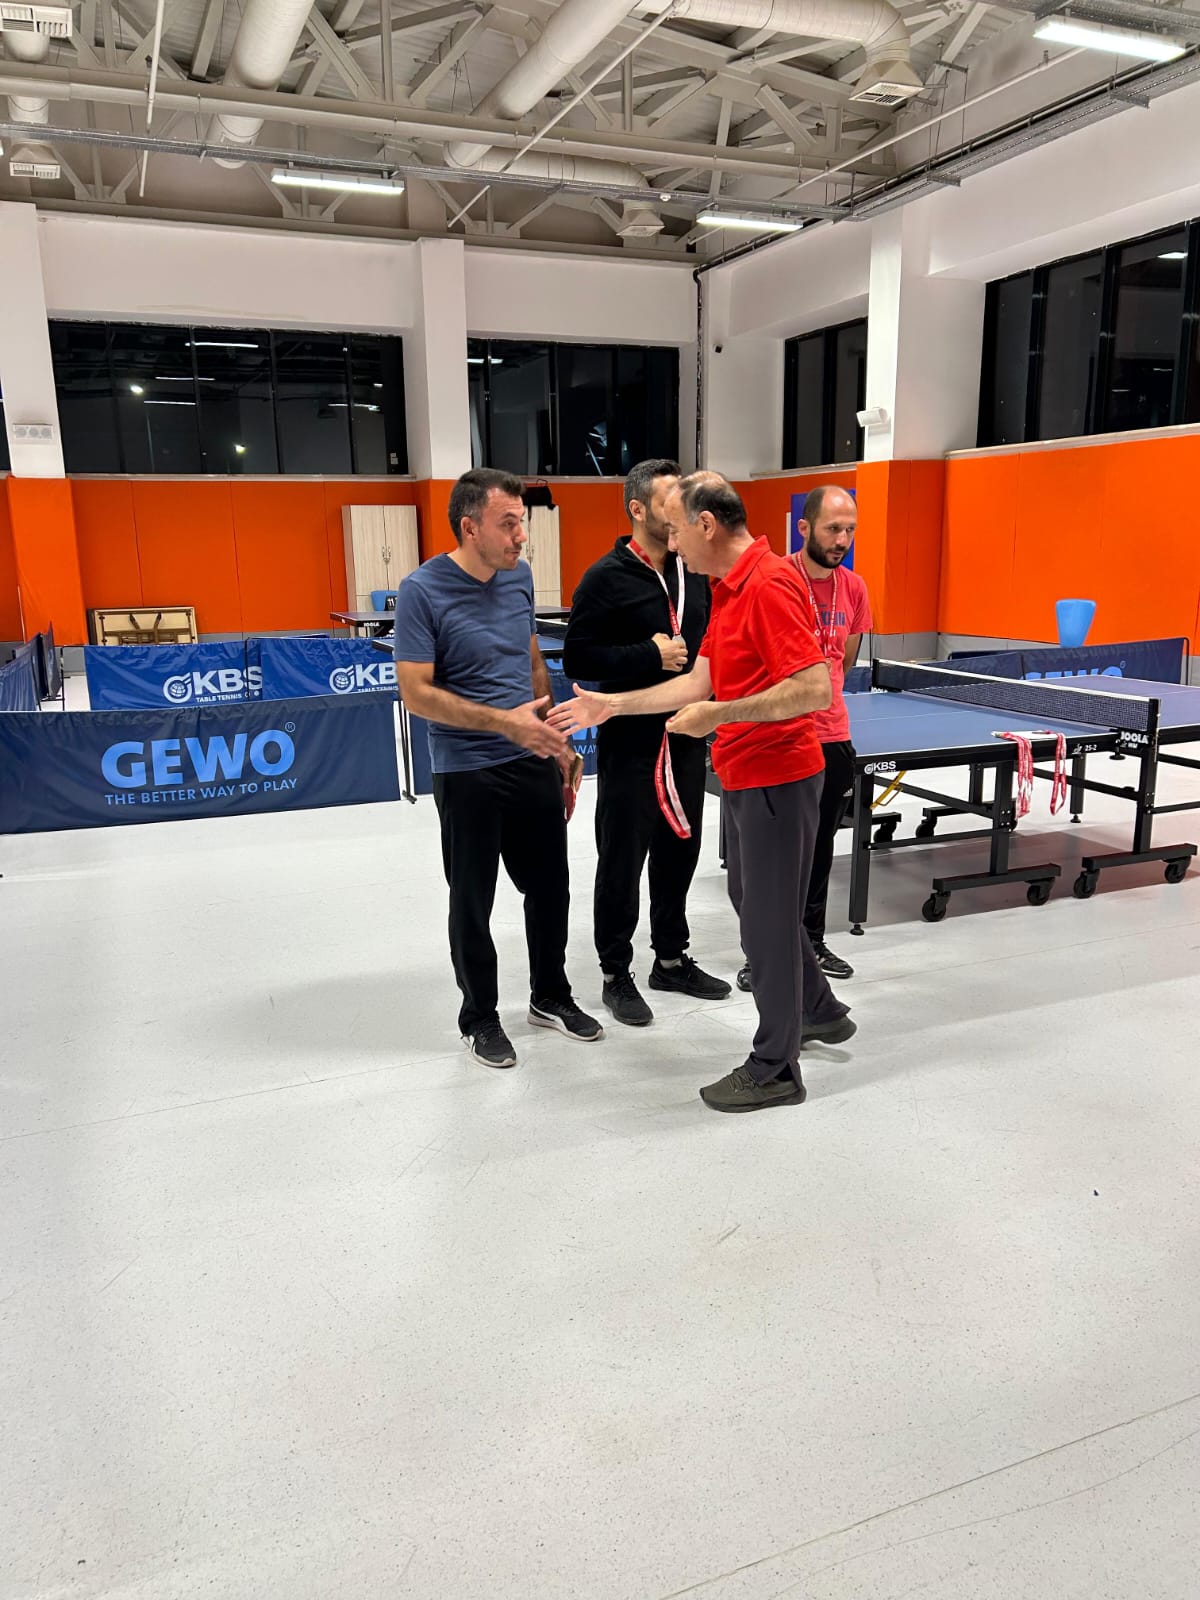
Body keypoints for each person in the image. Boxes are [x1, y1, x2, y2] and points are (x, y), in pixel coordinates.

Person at [550, 472, 854, 1114]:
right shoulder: (728, 588)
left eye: (678, 530)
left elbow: (813, 688)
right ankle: (818, 1008)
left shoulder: (769, 584)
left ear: (707, 525)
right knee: (752, 901)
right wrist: (612, 704)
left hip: (778, 776)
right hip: (745, 775)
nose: (674, 543)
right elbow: (698, 682)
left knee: (767, 926)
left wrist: (722, 715)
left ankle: (776, 1067)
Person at [392, 467, 603, 1070]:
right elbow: (415, 692)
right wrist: (503, 723)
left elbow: (530, 657)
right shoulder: (422, 591)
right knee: (473, 900)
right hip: (466, 769)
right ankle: (479, 1016)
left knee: (551, 889)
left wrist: (556, 740)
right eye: (508, 524)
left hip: (530, 758)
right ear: (470, 527)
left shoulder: (519, 577)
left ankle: (550, 995)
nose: (521, 536)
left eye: (522, 522)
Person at [562, 458, 731, 1027]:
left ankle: (671, 959)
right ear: (637, 509)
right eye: (668, 502)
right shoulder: (605, 577)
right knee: (622, 858)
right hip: (631, 740)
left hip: (686, 733)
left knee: (681, 848)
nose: (681, 511)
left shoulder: (693, 570)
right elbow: (578, 656)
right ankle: (615, 972)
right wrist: (648, 655)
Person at [735, 484, 872, 991]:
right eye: (833, 528)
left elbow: (845, 660)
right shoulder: (774, 580)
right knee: (772, 861)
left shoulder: (854, 588)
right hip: (779, 739)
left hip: (832, 738)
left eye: (850, 530)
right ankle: (762, 955)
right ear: (804, 527)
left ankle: (810, 943)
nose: (842, 540)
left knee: (819, 851)